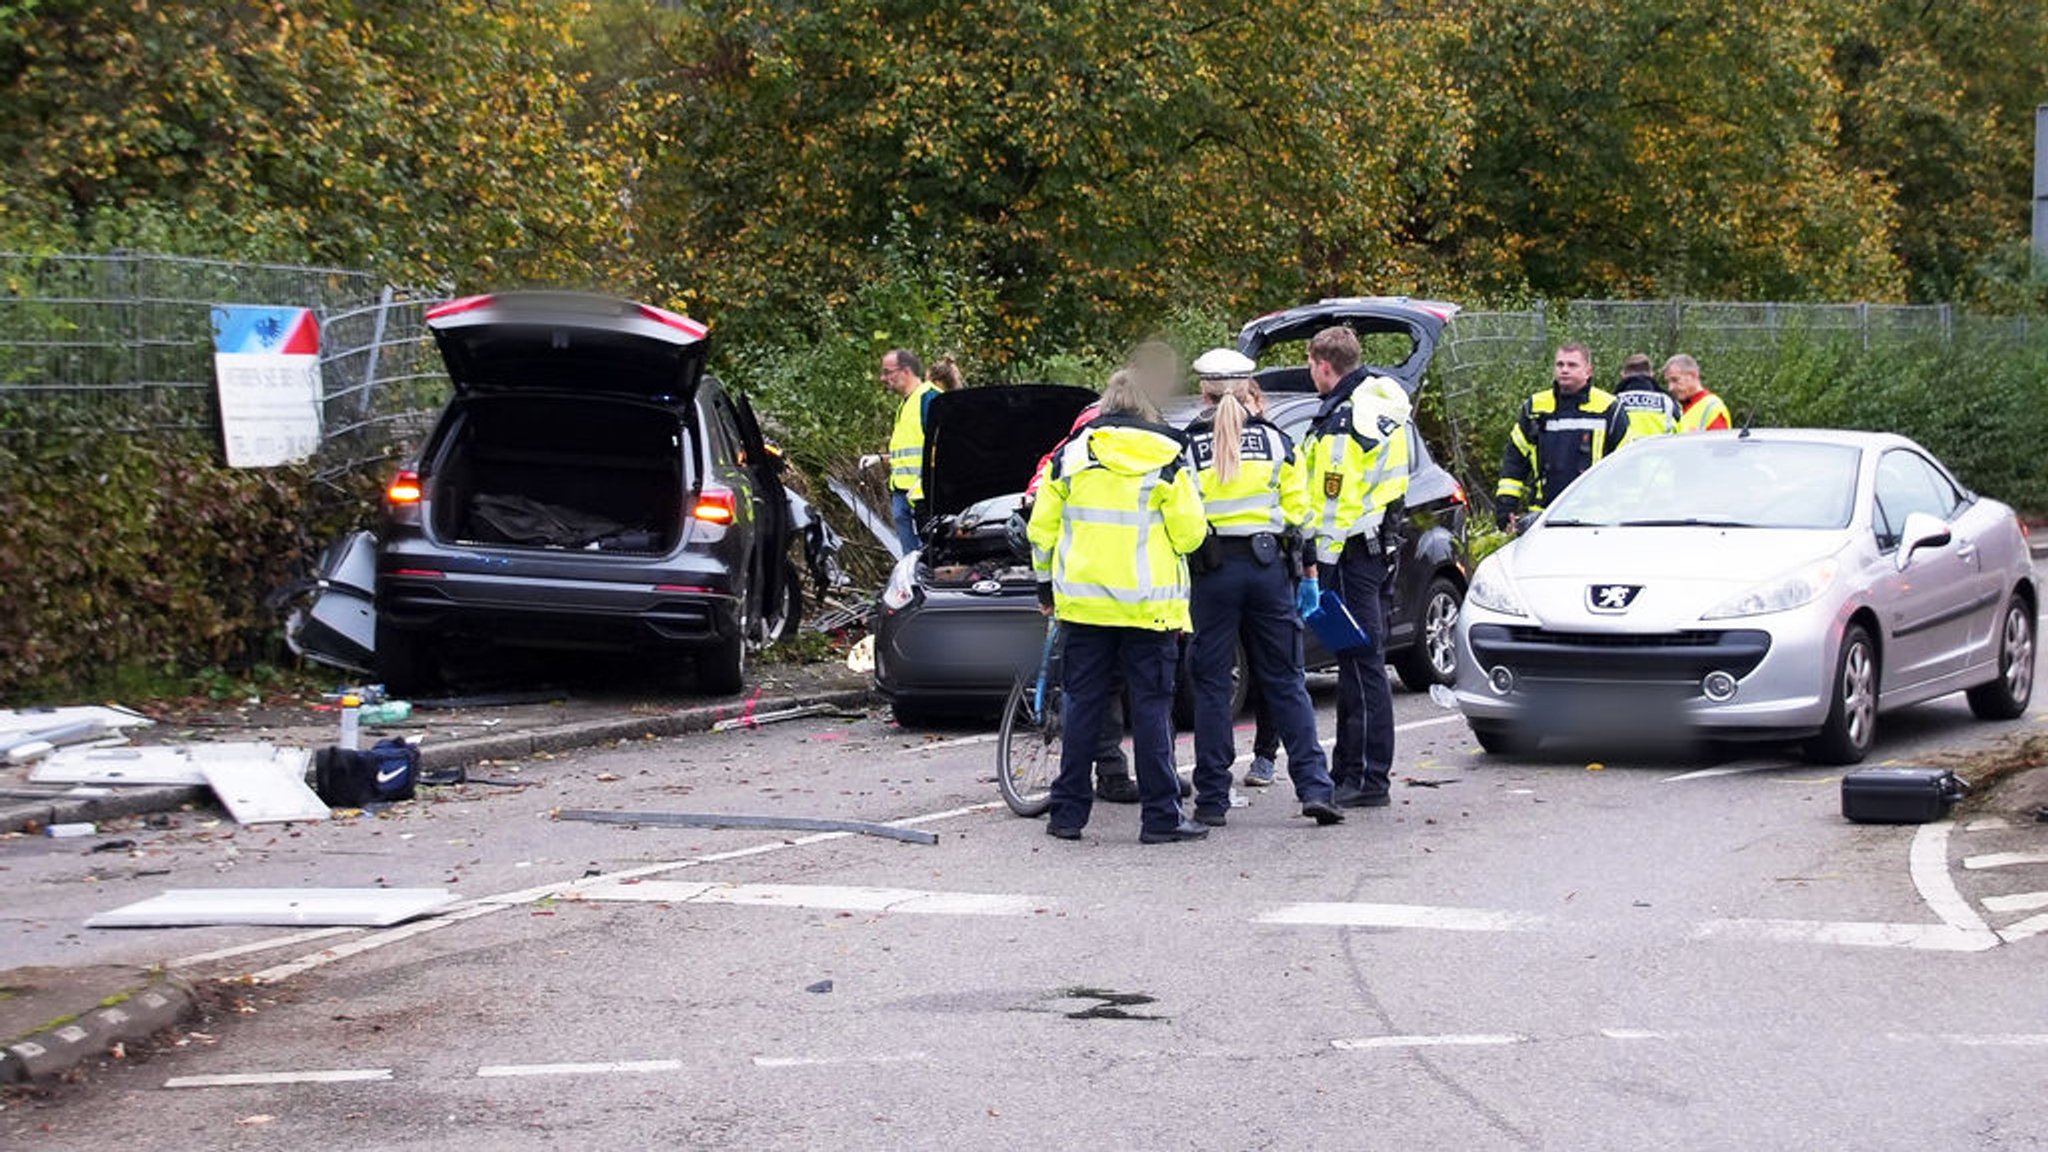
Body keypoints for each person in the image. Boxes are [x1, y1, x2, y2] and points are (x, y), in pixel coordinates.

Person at [1029, 370, 1210, 844]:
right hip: (1149, 608)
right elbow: (1191, 533)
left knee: (1082, 707)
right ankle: (1161, 819)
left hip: (1084, 607)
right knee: (1151, 712)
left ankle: (1067, 816)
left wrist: (1046, 589)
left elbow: (1041, 531)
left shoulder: (1069, 456)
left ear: (1105, 406)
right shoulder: (1170, 457)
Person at [1182, 349, 1342, 827]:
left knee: (1212, 686)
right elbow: (1302, 514)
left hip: (1211, 573)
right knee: (1286, 680)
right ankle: (1316, 788)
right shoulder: (1277, 442)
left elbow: (1182, 519)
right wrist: (1309, 573)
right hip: (1270, 569)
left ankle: (1211, 798)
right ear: (1248, 390)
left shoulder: (1186, 446)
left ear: (1203, 393)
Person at [1303, 327, 1412, 809]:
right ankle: (1350, 768)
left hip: (1347, 553)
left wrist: (1317, 566)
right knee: (1354, 663)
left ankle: (1368, 777)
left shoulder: (1346, 421)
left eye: (1311, 366)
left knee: (1363, 663)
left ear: (1324, 365)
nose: (1311, 375)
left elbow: (1333, 502)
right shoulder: (1379, 403)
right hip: (1373, 548)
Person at [1494, 343, 1630, 531]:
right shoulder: (1536, 406)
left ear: (1588, 371)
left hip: (1595, 517)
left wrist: (1627, 511)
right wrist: (1506, 503)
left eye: (1572, 365)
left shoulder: (1608, 408)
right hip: (1544, 515)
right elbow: (1515, 459)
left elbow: (1626, 464)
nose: (1564, 370)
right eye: (1560, 365)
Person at [882, 348, 938, 554]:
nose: (883, 378)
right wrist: (880, 459)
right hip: (902, 492)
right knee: (911, 559)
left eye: (888, 372)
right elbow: (908, 451)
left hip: (923, 496)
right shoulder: (905, 405)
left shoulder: (929, 399)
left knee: (929, 556)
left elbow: (941, 448)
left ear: (905, 371)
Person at [1613, 352, 1678, 440]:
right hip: (1660, 452)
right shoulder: (1668, 403)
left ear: (1623, 375)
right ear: (1651, 374)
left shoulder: (1613, 402)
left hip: (1625, 453)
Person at [1662, 354, 1732, 432]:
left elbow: (1718, 443)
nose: (1670, 388)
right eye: (1668, 382)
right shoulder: (1677, 406)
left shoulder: (1713, 407)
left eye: (1675, 380)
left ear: (1693, 375)